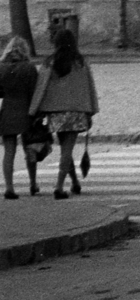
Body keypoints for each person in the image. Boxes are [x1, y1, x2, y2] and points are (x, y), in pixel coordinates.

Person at [30, 26, 98, 199]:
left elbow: (41, 89)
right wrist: (91, 111)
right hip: (76, 112)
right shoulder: (81, 62)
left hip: (56, 113)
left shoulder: (49, 63)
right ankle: (59, 187)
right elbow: (89, 87)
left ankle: (75, 182)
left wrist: (35, 111)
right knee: (67, 151)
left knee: (65, 150)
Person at [1, 36, 41, 199]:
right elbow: (35, 92)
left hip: (7, 111)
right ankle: (32, 184)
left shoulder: (0, 68)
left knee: (9, 151)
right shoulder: (29, 68)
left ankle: (9, 187)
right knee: (29, 149)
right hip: (26, 112)